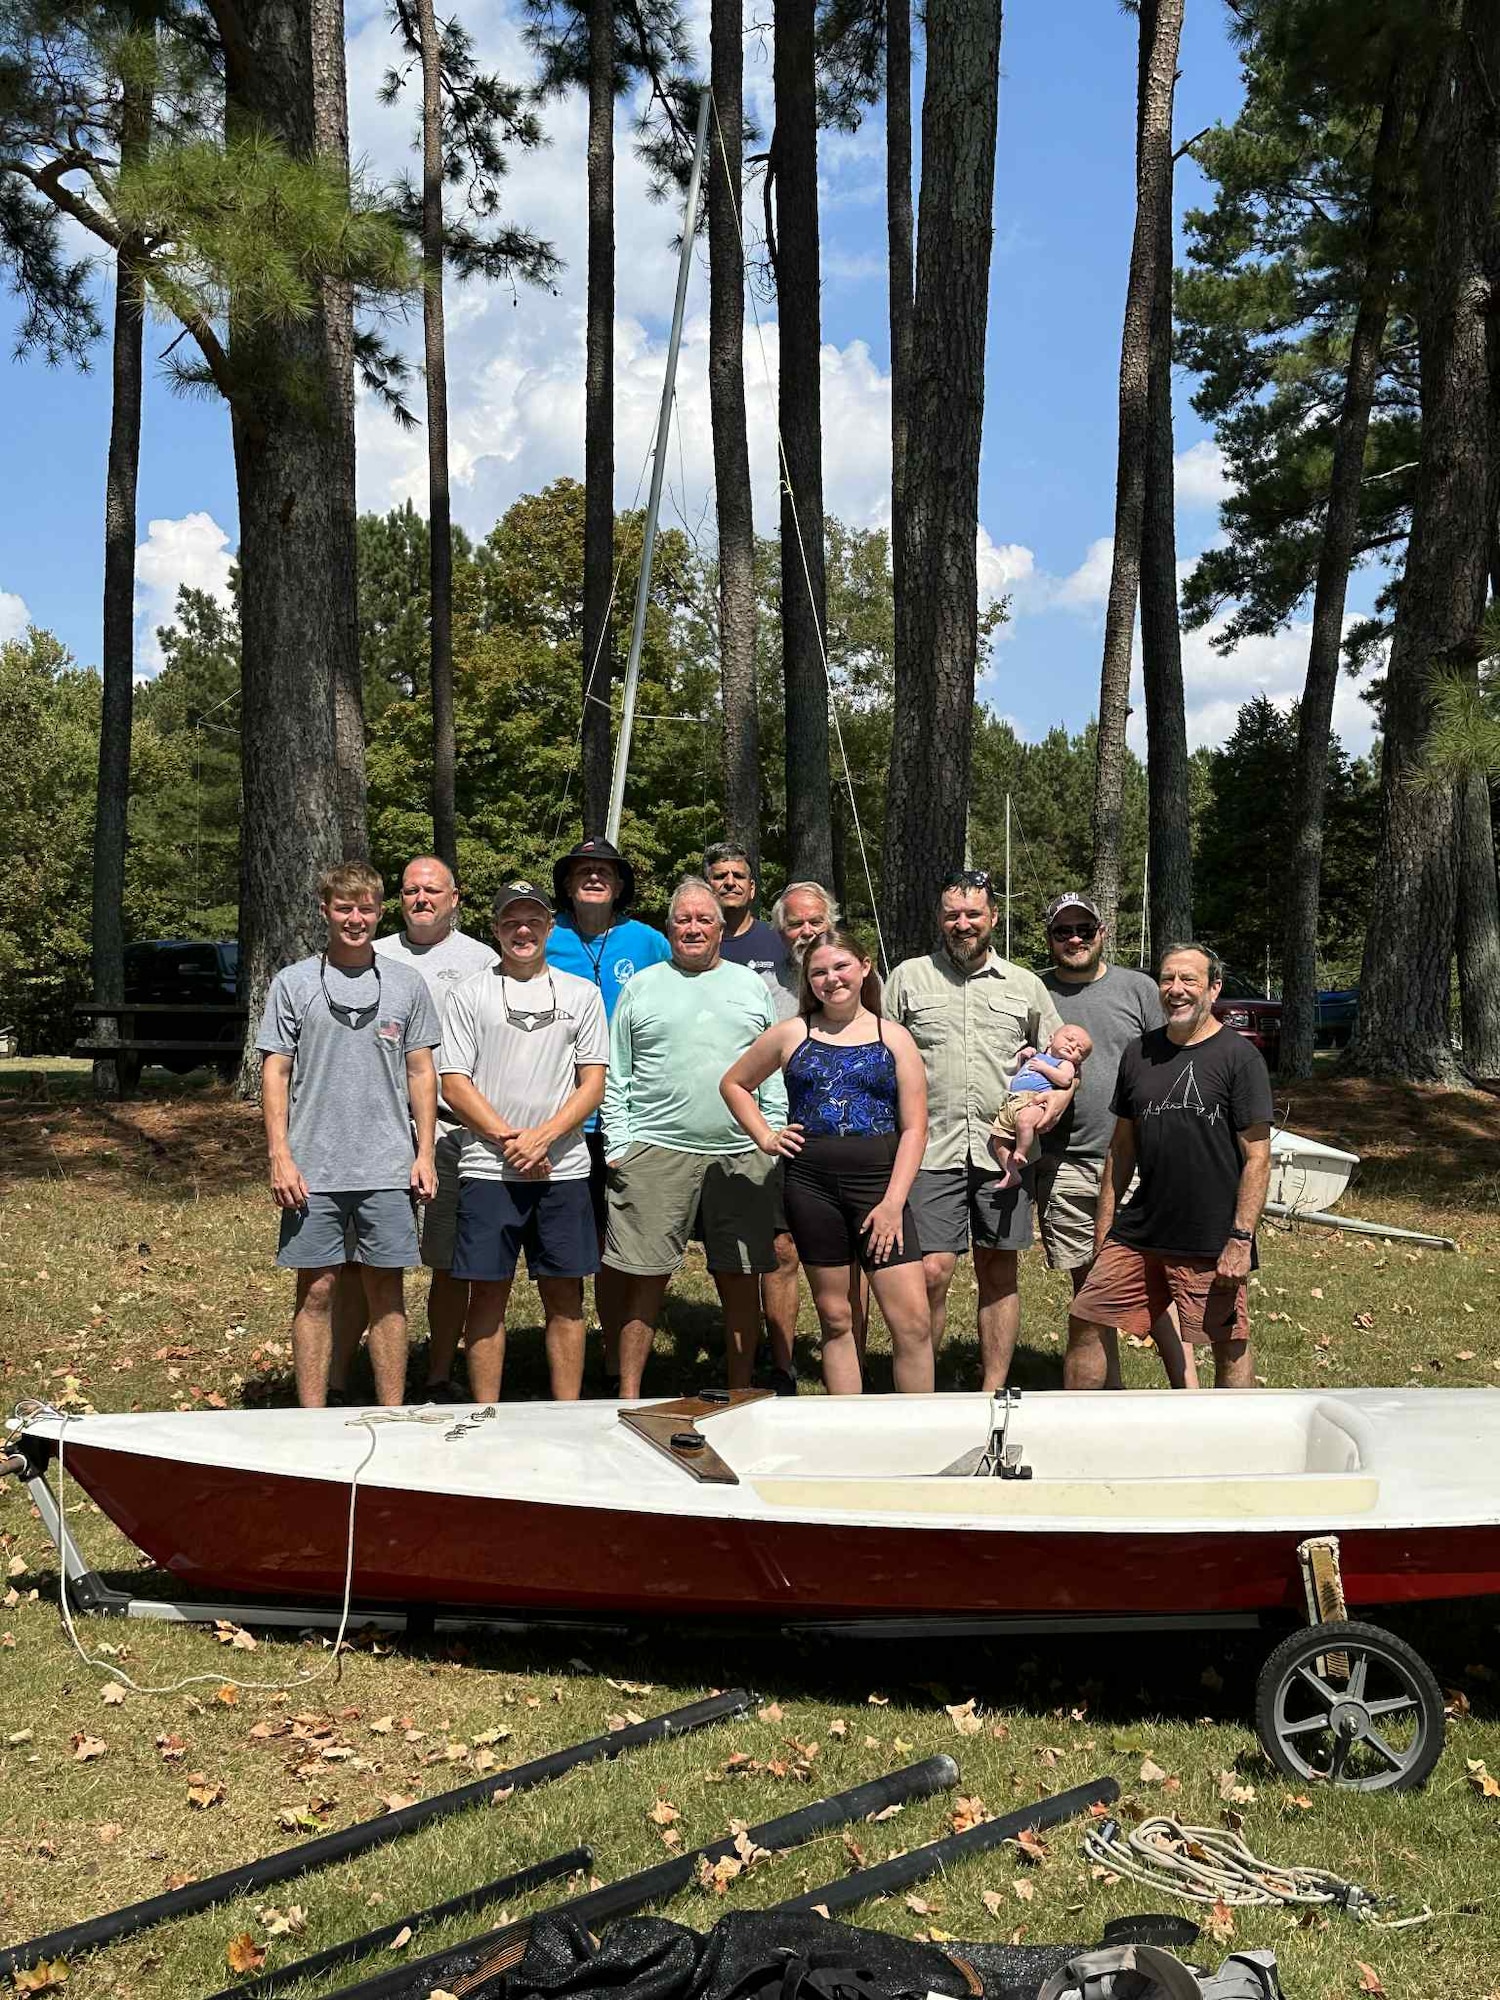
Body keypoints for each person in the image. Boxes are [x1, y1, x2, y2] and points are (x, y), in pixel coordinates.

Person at [256, 862, 440, 1408]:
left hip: (387, 1165)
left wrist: (424, 1152)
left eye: (365, 908)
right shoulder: (293, 983)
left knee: (386, 1292)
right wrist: (279, 1155)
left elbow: (421, 1072)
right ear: (325, 911)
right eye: (343, 908)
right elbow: (276, 1073)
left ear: (379, 912)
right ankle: (311, 1416)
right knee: (316, 1290)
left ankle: (391, 1413)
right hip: (314, 1167)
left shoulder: (406, 984)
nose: (355, 919)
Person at [721, 930, 932, 1394]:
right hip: (811, 1188)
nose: (831, 979)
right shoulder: (792, 1033)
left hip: (880, 1188)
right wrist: (766, 1136)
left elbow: (916, 1128)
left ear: (864, 967)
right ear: (807, 980)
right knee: (836, 1319)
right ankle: (849, 1433)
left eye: (840, 967)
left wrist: (894, 1203)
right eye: (818, 972)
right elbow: (734, 1084)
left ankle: (920, 1436)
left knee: (912, 1323)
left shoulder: (893, 1037)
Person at [884, 869, 1069, 1391]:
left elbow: (1064, 1060)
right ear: (939, 919)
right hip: (929, 1148)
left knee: (998, 1271)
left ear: (992, 918)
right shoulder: (909, 978)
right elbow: (877, 1051)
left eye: (973, 914)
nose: (962, 924)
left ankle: (993, 1390)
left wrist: (1050, 1108)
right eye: (952, 915)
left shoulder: (1024, 985)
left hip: (1004, 1154)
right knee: (932, 1271)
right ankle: (923, 1386)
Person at [601, 876, 787, 1397]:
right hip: (656, 1149)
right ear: (670, 928)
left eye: (704, 919)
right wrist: (620, 1145)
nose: (693, 928)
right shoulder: (642, 985)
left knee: (740, 1277)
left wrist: (768, 1136)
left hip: (740, 1151)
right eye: (683, 919)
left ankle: (740, 1388)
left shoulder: (749, 986)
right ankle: (630, 1394)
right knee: (644, 1278)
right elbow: (619, 1073)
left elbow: (769, 1067)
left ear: (721, 930)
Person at [1067, 943, 1273, 1392]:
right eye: (1167, 979)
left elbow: (1258, 1156)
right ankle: (1078, 1430)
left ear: (1213, 989)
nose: (1175, 990)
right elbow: (1121, 1150)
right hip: (1141, 1229)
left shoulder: (1240, 1058)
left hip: (1211, 1234)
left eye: (1188, 980)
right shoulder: (1140, 1052)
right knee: (1087, 1315)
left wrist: (1240, 1238)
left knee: (1227, 1342)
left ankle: (1238, 1445)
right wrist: (1105, 1227)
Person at [329, 855, 498, 1404]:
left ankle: (438, 1373)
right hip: (374, 1128)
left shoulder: (482, 960)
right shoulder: (372, 953)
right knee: (359, 1263)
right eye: (409, 891)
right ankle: (338, 1376)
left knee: (448, 1260)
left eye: (432, 890)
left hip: (452, 1130)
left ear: (455, 897)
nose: (420, 899)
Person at [438, 883, 609, 1401]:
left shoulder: (581, 994)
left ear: (548, 928)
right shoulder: (470, 993)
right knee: (487, 1293)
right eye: (511, 921)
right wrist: (511, 1140)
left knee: (565, 1295)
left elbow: (593, 1083)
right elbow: (453, 1081)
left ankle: (566, 1412)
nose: (522, 930)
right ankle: (485, 1410)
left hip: (564, 1168)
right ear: (494, 929)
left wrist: (546, 1139)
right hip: (489, 1169)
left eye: (532, 921)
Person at [546, 834, 671, 1388]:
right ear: (568, 885)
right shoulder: (545, 937)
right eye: (583, 871)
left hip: (633, 1116)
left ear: (620, 885)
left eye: (605, 871)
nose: (594, 878)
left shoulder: (646, 941)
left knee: (625, 1244)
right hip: (564, 1117)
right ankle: (574, 1345)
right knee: (580, 1241)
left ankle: (617, 1356)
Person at [1036, 892, 1165, 1389]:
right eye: (1063, 931)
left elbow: (1170, 1063)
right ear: (1049, 938)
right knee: (1089, 1288)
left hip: (1135, 1162)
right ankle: (1103, 1398)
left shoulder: (1138, 988)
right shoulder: (1035, 991)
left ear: (1102, 933)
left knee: (1152, 1283)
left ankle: (1188, 1396)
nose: (1074, 939)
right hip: (1063, 1162)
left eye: (1083, 930)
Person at [755, 877, 844, 1394]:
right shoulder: (765, 990)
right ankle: (783, 1366)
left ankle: (848, 1353)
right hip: (784, 1135)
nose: (807, 930)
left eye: (816, 920)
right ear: (780, 931)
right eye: (796, 923)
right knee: (783, 1249)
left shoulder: (852, 977)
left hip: (849, 1136)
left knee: (849, 1254)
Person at [988, 1024, 1093, 1188]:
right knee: (998, 1141)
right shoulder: (1037, 1057)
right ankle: (1011, 1173)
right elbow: (1020, 1074)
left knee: (1025, 1121)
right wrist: (1022, 1058)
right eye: (1070, 1040)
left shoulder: (1064, 1064)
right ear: (1050, 1039)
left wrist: (1044, 1067)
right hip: (1013, 1101)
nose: (1072, 1046)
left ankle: (1021, 1152)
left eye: (1079, 1049)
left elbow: (1065, 1080)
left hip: (1035, 1101)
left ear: (1079, 1061)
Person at [704, 842, 789, 982]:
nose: (730, 883)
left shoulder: (779, 939)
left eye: (738, 876)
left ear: (752, 889)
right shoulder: (696, 943)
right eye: (720, 876)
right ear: (707, 887)